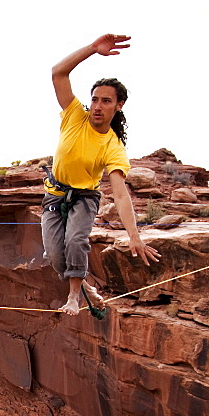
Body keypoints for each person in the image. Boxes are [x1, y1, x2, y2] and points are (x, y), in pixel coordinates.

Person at [42, 33, 160, 315]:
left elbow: (119, 193)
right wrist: (93, 49)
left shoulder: (113, 145)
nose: (97, 106)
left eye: (106, 101)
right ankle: (87, 287)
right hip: (54, 194)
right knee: (56, 256)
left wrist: (134, 235)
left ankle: (74, 297)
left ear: (118, 105)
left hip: (84, 198)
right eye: (95, 99)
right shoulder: (74, 115)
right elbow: (58, 72)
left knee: (75, 242)